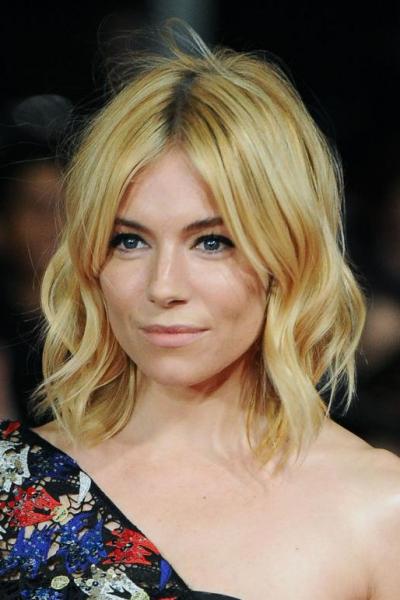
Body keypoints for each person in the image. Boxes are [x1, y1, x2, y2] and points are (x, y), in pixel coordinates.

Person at [1, 22, 399, 600]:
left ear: (287, 255)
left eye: (212, 242)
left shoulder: (379, 511)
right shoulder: (13, 485)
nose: (163, 286)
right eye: (128, 241)